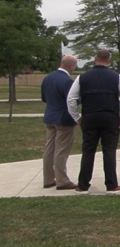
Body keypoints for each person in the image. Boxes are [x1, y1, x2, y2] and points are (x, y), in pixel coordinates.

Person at [66, 49, 120, 193]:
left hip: (89, 117)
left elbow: (71, 99)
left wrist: (77, 117)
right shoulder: (117, 77)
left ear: (94, 58)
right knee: (109, 151)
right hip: (110, 117)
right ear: (109, 60)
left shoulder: (82, 77)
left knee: (88, 150)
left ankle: (83, 184)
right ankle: (111, 184)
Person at [40, 55, 79, 190]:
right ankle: (62, 180)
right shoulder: (67, 81)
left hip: (50, 116)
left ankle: (48, 179)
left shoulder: (47, 78)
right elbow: (72, 100)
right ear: (70, 66)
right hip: (63, 118)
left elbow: (44, 98)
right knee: (61, 150)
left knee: (49, 149)